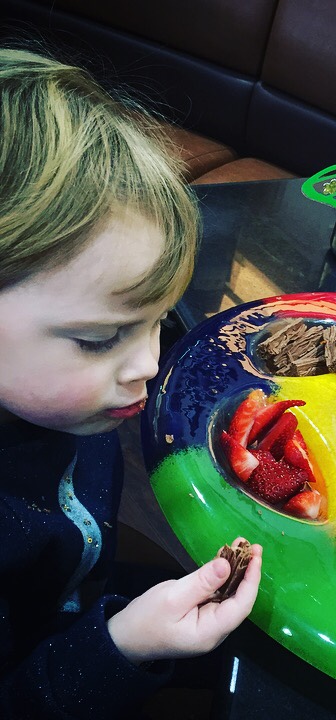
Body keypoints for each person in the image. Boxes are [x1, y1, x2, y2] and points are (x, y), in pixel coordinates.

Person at [0, 48, 262, 717]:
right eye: (100, 338)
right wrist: (122, 647)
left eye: (157, 323)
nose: (149, 364)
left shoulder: (65, 401)